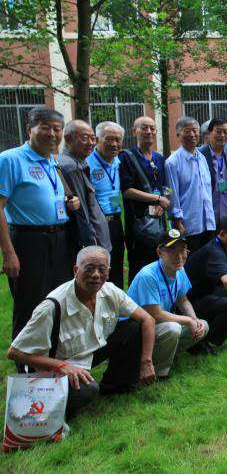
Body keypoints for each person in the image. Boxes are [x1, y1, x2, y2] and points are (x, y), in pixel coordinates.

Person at [8, 246, 156, 417]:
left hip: (87, 352)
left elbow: (148, 319)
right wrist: (63, 367)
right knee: (88, 390)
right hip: (54, 366)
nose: (96, 275)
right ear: (76, 270)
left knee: (133, 327)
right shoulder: (52, 307)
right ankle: (51, 410)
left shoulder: (110, 291)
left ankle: (115, 385)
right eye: (89, 268)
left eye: (102, 269)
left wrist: (146, 361)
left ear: (108, 272)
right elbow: (15, 352)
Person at [0, 107, 79, 340]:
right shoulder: (11, 159)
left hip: (60, 240)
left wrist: (69, 203)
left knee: (59, 299)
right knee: (30, 305)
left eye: (57, 129)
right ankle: (25, 358)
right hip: (29, 242)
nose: (52, 134)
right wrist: (8, 253)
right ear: (29, 129)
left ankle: (53, 353)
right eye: (45, 128)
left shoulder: (52, 160)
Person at [127, 230, 208, 379]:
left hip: (157, 324)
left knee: (203, 325)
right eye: (172, 251)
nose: (179, 256)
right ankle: (158, 372)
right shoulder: (148, 275)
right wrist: (187, 320)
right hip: (137, 330)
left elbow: (182, 299)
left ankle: (164, 354)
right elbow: (156, 314)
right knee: (172, 328)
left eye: (182, 250)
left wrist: (194, 319)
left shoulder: (179, 269)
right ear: (159, 252)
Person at [183, 216, 227, 354]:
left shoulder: (225, 248)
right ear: (222, 234)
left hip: (205, 293)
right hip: (188, 303)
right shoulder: (214, 251)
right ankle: (204, 341)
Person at [119, 116, 170, 280]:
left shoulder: (159, 158)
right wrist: (157, 199)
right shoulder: (126, 157)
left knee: (159, 266)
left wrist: (164, 200)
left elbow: (166, 187)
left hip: (158, 224)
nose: (149, 131)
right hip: (138, 226)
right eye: (144, 128)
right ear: (134, 132)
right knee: (140, 270)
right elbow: (126, 190)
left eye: (152, 128)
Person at [59, 120, 111, 262]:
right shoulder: (71, 167)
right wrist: (92, 244)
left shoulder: (78, 162)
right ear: (68, 138)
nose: (90, 143)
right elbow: (82, 212)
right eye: (85, 138)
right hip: (92, 244)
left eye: (93, 138)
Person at [166, 117, 216, 254]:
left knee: (207, 261)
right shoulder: (172, 162)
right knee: (189, 262)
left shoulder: (202, 158)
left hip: (207, 223)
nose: (192, 135)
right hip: (188, 225)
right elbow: (172, 195)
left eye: (195, 130)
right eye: (187, 131)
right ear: (178, 135)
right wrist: (177, 222)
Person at [87, 121, 126, 287]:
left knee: (117, 264)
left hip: (116, 220)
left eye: (118, 140)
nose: (114, 144)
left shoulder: (117, 161)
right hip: (98, 223)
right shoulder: (87, 164)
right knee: (100, 266)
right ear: (97, 140)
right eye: (109, 139)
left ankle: (116, 299)